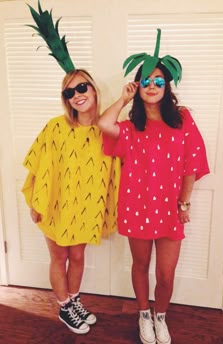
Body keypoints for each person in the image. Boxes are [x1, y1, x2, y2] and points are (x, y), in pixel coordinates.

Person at [98, 29, 209, 344]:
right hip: (136, 207)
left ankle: (161, 316)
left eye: (158, 80)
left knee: (165, 274)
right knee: (141, 265)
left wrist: (184, 204)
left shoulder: (183, 120)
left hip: (170, 211)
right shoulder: (131, 128)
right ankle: (143, 314)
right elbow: (104, 125)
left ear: (167, 86)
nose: (151, 85)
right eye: (145, 80)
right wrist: (123, 97)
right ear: (138, 85)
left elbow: (192, 163)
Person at [22, 2, 119, 336]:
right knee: (59, 258)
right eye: (70, 91)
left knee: (78, 258)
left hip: (85, 207)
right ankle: (64, 307)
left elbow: (117, 168)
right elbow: (37, 166)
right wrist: (35, 203)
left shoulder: (105, 129)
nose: (77, 94)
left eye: (82, 87)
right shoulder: (55, 127)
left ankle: (74, 299)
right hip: (54, 205)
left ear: (93, 89)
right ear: (65, 98)